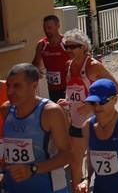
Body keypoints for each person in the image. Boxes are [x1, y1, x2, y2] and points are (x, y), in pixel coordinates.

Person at [57, 29, 118, 192]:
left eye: (73, 47)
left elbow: (115, 88)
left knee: (100, 161)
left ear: (83, 47)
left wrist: (92, 105)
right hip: (77, 123)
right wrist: (68, 102)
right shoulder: (69, 66)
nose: (69, 50)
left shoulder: (93, 66)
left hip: (98, 121)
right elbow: (75, 92)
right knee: (75, 161)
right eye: (67, 47)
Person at [2, 63, 71, 193]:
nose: (10, 92)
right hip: (15, 187)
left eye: (17, 86)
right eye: (8, 86)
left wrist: (32, 169)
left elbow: (67, 155)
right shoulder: (6, 110)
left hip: (48, 187)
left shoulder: (50, 112)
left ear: (34, 85)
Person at [32, 15, 70, 102]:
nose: (47, 31)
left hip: (68, 86)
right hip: (52, 87)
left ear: (58, 26)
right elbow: (35, 63)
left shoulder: (66, 42)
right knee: (56, 112)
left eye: (49, 28)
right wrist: (36, 69)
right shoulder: (42, 44)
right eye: (44, 28)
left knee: (68, 113)